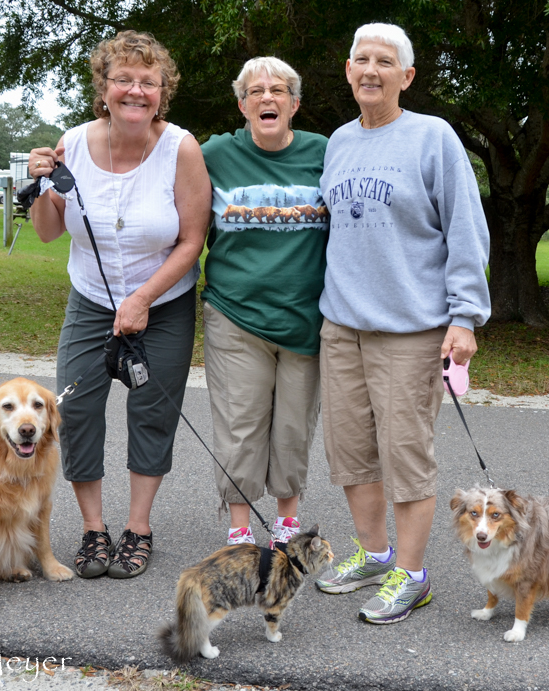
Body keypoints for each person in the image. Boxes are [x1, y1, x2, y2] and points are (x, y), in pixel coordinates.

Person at [313, 23, 492, 624]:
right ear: (347, 69)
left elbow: (466, 228)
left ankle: (412, 576)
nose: (371, 70)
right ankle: (373, 555)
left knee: (406, 454)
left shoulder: (432, 137)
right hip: (341, 326)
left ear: (406, 77)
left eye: (385, 62)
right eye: (361, 59)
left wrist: (464, 316)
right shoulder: (338, 141)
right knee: (351, 451)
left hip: (412, 330)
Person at [27, 31, 211, 579]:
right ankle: (93, 529)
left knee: (151, 411)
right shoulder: (75, 143)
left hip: (164, 303)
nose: (135, 91)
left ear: (162, 92)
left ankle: (138, 526)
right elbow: (45, 232)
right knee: (77, 410)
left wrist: (143, 298)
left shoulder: (181, 147)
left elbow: (192, 240)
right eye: (123, 80)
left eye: (148, 82)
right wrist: (38, 187)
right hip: (90, 301)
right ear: (103, 88)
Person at [199, 57, 329, 548]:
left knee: (294, 427)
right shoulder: (214, 153)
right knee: (240, 424)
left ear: (294, 104)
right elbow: (154, 150)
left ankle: (287, 520)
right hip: (236, 315)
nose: (267, 98)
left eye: (278, 91)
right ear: (242, 104)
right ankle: (239, 527)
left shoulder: (324, 151)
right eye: (256, 92)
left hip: (305, 318)